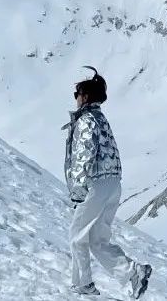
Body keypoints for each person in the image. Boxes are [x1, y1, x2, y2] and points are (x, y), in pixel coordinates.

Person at [63, 66, 152, 298]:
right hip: (113, 184)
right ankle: (134, 273)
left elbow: (84, 155)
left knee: (77, 235)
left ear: (85, 96)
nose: (75, 99)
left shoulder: (86, 122)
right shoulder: (101, 119)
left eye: (77, 94)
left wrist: (78, 191)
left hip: (95, 185)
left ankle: (83, 284)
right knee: (98, 240)